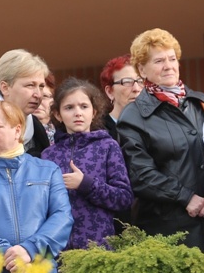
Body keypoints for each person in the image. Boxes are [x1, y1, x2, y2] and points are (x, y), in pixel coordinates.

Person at [117, 28, 204, 252]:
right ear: (142, 69)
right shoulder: (133, 116)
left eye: (172, 59)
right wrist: (186, 197)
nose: (168, 65)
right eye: (159, 61)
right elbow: (140, 174)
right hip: (167, 230)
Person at [0, 100, 72, 273]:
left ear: (17, 130)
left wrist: (29, 250)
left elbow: (62, 217)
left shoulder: (47, 170)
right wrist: (5, 253)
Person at [42, 78, 133, 250]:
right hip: (58, 251)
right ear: (57, 115)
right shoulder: (48, 155)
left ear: (94, 112)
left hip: (98, 250)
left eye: (84, 106)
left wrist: (85, 184)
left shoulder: (108, 146)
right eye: (69, 107)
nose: (78, 113)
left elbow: (124, 198)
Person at [100, 55, 144, 141]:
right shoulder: (98, 132)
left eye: (140, 81)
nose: (136, 89)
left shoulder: (155, 125)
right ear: (110, 92)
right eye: (127, 82)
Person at [33, 73, 56, 145]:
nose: (39, 102)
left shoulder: (64, 132)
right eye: (34, 96)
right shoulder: (17, 131)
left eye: (45, 96)